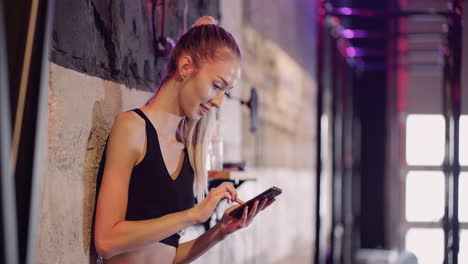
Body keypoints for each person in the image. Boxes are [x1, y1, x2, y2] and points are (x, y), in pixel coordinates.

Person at [92, 16, 276, 263]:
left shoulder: (189, 151)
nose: (219, 102)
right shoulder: (132, 128)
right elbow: (106, 241)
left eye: (225, 92)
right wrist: (192, 215)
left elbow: (167, 256)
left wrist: (220, 231)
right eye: (216, 86)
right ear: (186, 67)